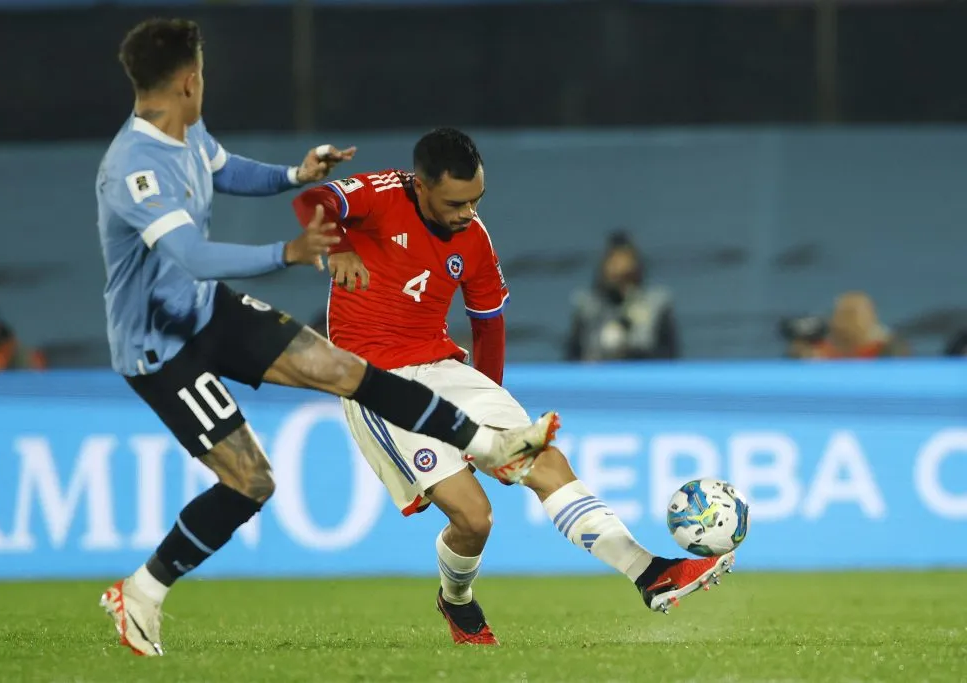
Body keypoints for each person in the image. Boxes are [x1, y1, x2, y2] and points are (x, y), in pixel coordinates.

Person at [96, 19, 559, 657]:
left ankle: (486, 442)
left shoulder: (186, 132)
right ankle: (142, 591)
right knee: (251, 482)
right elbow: (190, 255)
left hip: (208, 310)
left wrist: (294, 173)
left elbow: (228, 170)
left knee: (347, 370)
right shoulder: (133, 167)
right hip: (159, 344)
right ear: (189, 80)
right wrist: (287, 252)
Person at [292, 128, 735, 646]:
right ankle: (456, 600)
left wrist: (489, 426)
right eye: (456, 203)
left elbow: (488, 323)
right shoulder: (382, 194)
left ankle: (649, 572)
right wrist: (340, 245)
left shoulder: (473, 237)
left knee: (544, 461)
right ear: (421, 186)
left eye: (476, 200)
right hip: (376, 381)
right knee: (474, 519)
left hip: (445, 369)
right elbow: (312, 199)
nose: (468, 213)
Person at [565, 232, 679, 361]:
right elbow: (573, 356)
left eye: (627, 261)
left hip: (642, 370)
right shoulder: (587, 307)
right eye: (614, 262)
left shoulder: (657, 305)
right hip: (599, 372)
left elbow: (669, 355)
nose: (620, 268)